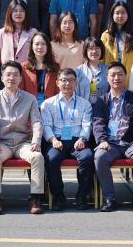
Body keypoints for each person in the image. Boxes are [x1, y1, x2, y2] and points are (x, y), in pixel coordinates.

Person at [0, 62, 46, 214]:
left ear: (20, 78)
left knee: (37, 157)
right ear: (2, 78)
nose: (11, 78)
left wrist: (36, 141)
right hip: (2, 143)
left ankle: (35, 198)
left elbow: (37, 122)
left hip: (23, 142)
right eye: (8, 75)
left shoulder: (30, 98)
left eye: (15, 75)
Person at [91, 64, 133, 212]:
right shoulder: (101, 101)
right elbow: (98, 123)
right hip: (110, 144)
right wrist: (102, 140)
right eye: (112, 75)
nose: (116, 78)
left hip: (131, 143)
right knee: (99, 157)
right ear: (107, 78)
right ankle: (110, 198)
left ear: (125, 77)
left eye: (120, 74)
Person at [40, 69, 95, 211]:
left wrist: (82, 138)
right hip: (57, 140)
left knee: (88, 157)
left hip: (78, 140)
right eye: (63, 80)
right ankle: (58, 196)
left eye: (70, 80)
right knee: (51, 158)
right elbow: (46, 126)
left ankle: (82, 196)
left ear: (76, 83)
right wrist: (53, 140)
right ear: (57, 83)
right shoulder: (47, 104)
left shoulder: (85, 104)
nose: (67, 83)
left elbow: (87, 125)